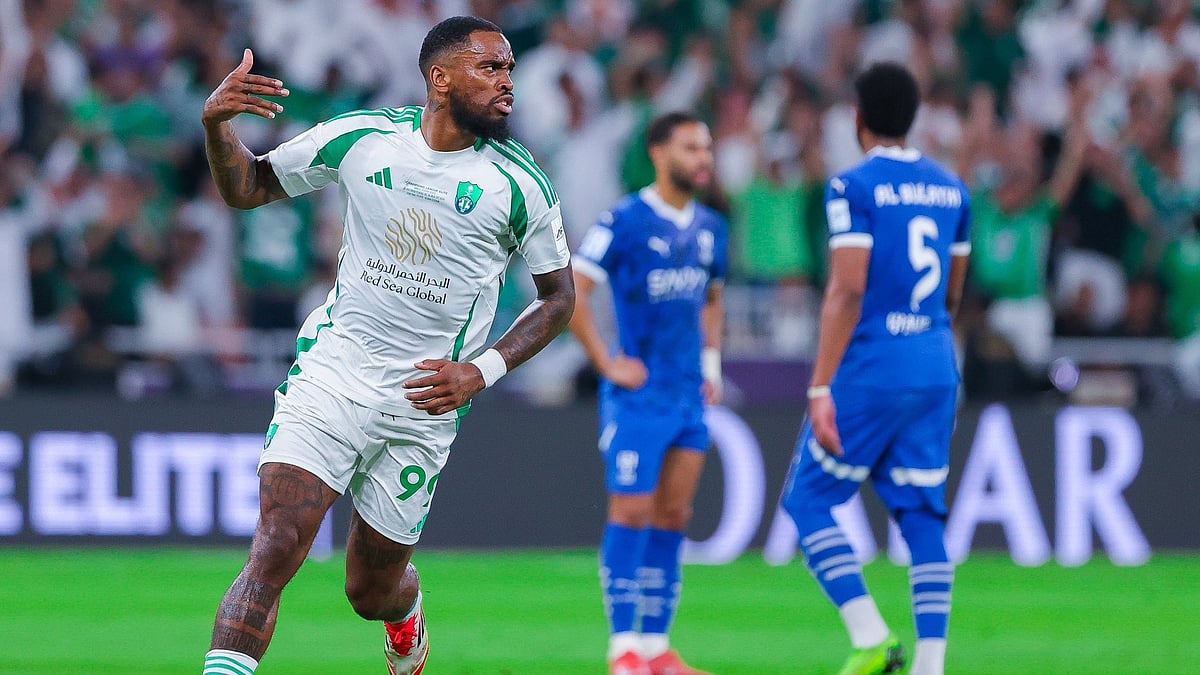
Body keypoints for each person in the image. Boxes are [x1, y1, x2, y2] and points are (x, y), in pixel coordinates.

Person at [198, 16, 574, 675]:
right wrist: (215, 127)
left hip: (424, 401)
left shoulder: (519, 184)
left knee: (369, 591)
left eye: (510, 69)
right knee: (278, 543)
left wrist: (480, 372)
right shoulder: (364, 138)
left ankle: (406, 615)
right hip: (334, 375)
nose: (507, 83)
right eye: (491, 68)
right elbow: (251, 185)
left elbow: (559, 298)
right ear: (441, 78)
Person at [779, 62, 971, 675]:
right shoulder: (953, 190)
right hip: (935, 362)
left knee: (808, 500)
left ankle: (871, 638)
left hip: (872, 365)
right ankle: (931, 666)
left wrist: (819, 385)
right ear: (913, 119)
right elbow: (954, 295)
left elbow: (846, 290)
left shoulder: (852, 188)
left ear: (857, 118)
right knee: (921, 512)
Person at [569, 111, 727, 675]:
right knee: (633, 510)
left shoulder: (712, 226)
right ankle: (623, 649)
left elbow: (712, 298)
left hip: (688, 394)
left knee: (675, 513)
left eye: (706, 147)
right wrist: (607, 361)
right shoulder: (625, 221)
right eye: (691, 147)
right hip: (638, 396)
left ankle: (657, 649)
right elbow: (572, 291)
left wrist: (711, 364)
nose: (703, 158)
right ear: (660, 153)